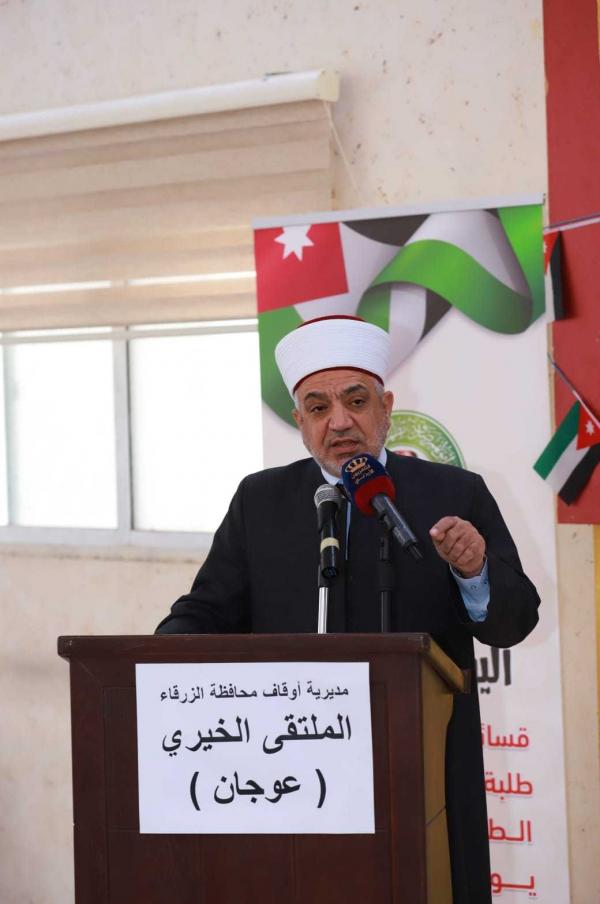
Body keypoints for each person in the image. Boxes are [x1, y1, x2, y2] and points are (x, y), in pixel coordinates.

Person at [156, 315, 540, 904]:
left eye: (356, 401)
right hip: (288, 770)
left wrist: (474, 571)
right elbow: (207, 610)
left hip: (421, 764)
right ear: (300, 422)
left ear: (386, 408)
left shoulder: (453, 492)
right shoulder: (260, 500)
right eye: (318, 407)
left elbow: (515, 622)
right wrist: (152, 661)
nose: (338, 421)